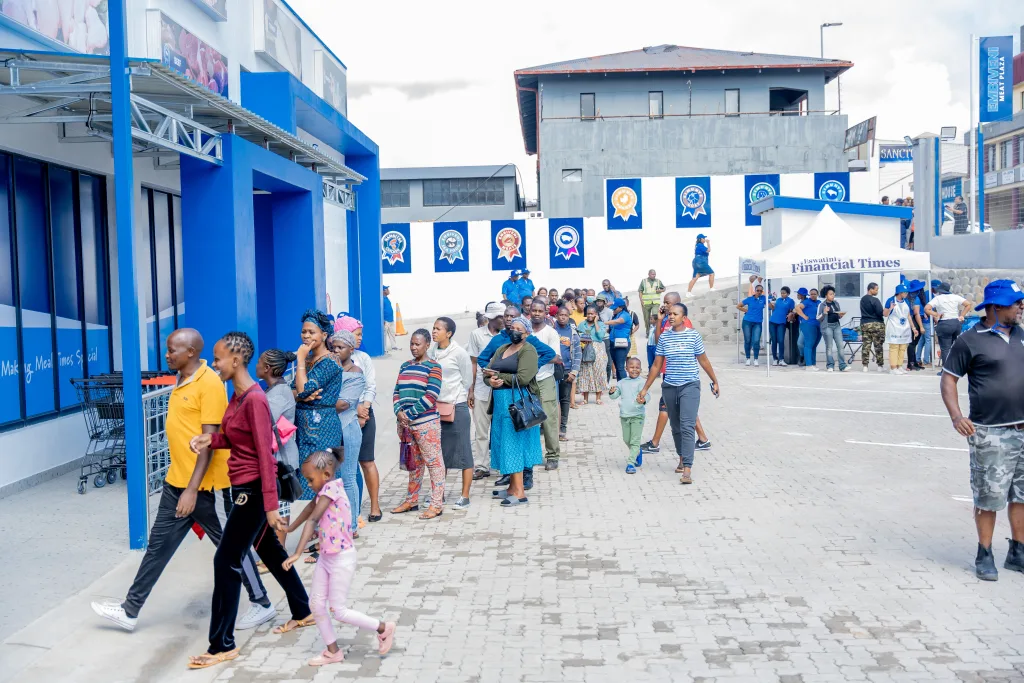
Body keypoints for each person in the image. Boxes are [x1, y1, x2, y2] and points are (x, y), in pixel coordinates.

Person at [90, 329, 275, 633]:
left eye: (172, 350)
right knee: (157, 547)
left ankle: (262, 602)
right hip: (176, 481)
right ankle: (130, 610)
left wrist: (192, 490)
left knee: (232, 547)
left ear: (190, 352)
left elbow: (209, 442)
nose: (166, 355)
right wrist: (182, 486)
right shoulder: (180, 379)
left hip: (205, 487)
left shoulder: (210, 383)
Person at [186, 332, 312, 669]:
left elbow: (265, 455)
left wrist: (270, 507)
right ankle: (303, 610)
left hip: (253, 491)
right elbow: (236, 438)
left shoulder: (255, 399)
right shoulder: (238, 396)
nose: (214, 364)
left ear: (236, 359)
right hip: (244, 486)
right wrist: (210, 440)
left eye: (217, 358)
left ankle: (221, 645)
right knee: (270, 551)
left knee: (225, 560)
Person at [939, 279, 1024, 580]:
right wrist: (956, 416)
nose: (1021, 307)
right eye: (1016, 303)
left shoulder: (1021, 335)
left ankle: (1018, 551)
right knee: (988, 497)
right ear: (996, 307)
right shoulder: (969, 340)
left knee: (1021, 495)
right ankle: (984, 553)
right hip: (990, 433)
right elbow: (949, 379)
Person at [281, 448, 396, 666]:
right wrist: (290, 528)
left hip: (342, 559)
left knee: (339, 611)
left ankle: (383, 628)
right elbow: (309, 509)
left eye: (310, 479)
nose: (308, 484)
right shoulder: (324, 490)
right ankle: (333, 652)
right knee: (316, 605)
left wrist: (297, 552)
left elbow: (313, 519)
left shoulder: (332, 489)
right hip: (326, 557)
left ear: (326, 474)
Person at [637, 303, 720, 486]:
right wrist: (645, 388)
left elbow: (703, 360)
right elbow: (657, 365)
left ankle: (688, 468)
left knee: (687, 425)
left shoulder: (693, 336)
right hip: (669, 387)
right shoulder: (665, 337)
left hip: (690, 386)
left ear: (684, 317)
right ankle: (681, 458)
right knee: (675, 426)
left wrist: (714, 380)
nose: (671, 316)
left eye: (675, 314)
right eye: (670, 314)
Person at [485, 316, 544, 507]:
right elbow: (488, 371)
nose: (515, 332)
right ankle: (511, 487)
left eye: (520, 329)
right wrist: (490, 381)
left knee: (514, 445)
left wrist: (499, 377)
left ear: (527, 333)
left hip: (517, 403)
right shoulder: (503, 348)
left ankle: (520, 493)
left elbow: (524, 378)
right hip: (500, 403)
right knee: (503, 443)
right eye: (513, 328)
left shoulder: (529, 350)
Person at [391, 329, 445, 520]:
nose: (413, 347)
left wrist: (409, 414)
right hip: (405, 425)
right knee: (414, 464)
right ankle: (411, 500)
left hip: (426, 424)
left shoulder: (434, 367)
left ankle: (436, 504)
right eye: (411, 344)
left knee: (434, 463)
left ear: (427, 345)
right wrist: (398, 411)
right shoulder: (405, 365)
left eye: (417, 344)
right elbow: (396, 391)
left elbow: (431, 396)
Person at [335, 317, 383, 524]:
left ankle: (374, 506)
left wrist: (365, 409)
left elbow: (370, 385)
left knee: (367, 461)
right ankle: (355, 511)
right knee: (349, 467)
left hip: (365, 412)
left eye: (361, 334)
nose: (360, 337)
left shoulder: (363, 358)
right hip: (347, 416)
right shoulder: (333, 359)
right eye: (357, 333)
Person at [294, 310, 345, 502]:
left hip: (323, 427)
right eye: (304, 332)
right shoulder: (309, 360)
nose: (306, 336)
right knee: (307, 478)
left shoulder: (330, 362)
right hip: (304, 429)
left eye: (311, 332)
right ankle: (312, 520)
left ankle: (329, 519)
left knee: (321, 479)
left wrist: (300, 361)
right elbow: (294, 392)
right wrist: (301, 397)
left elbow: (303, 389)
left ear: (324, 335)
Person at [256, 349, 300, 552]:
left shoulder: (279, 393)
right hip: (277, 456)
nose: (256, 365)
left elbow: (263, 420)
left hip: (280, 459)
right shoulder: (274, 389)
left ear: (267, 368)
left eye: (259, 362)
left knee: (280, 504)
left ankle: (279, 550)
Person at [429, 316, 474, 510]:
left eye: (438, 329)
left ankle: (465, 496)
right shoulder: (431, 351)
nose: (434, 331)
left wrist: (455, 396)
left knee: (464, 452)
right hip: (436, 408)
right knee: (440, 454)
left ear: (449, 333)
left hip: (457, 406)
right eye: (433, 328)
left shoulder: (459, 353)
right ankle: (439, 494)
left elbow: (467, 380)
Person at [327, 331, 364, 546]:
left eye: (340, 347)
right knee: (335, 478)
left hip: (348, 428)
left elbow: (342, 404)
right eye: (334, 347)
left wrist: (320, 399)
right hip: (332, 429)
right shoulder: (331, 369)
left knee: (348, 476)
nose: (336, 351)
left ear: (351, 349)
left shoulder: (356, 373)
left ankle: (352, 525)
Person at [467, 302, 505, 480]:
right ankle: (482, 465)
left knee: (501, 429)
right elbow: (473, 363)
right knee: (481, 429)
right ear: (491, 318)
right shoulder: (477, 335)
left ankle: (502, 465)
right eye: (500, 317)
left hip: (503, 387)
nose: (503, 320)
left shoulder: (508, 335)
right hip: (482, 389)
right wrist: (471, 390)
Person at [530, 300, 563, 470]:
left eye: (540, 311)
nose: (537, 313)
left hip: (545, 380)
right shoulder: (524, 330)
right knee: (528, 419)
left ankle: (552, 456)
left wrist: (531, 359)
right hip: (526, 381)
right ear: (529, 311)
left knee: (549, 419)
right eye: (534, 310)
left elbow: (556, 357)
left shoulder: (551, 333)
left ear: (545, 313)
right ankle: (531, 455)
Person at [926, 282, 972, 373]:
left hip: (944, 323)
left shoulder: (938, 298)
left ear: (940, 290)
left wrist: (936, 314)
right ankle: (955, 368)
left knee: (945, 348)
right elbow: (968, 304)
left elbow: (926, 308)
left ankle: (946, 371)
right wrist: (962, 315)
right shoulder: (955, 297)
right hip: (956, 323)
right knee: (953, 347)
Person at [611, 357, 647, 474]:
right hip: (624, 416)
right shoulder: (622, 382)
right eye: (631, 367)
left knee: (635, 441)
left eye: (637, 367)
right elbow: (615, 395)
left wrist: (643, 400)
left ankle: (631, 463)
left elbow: (647, 396)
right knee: (627, 439)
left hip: (638, 415)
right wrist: (612, 392)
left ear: (641, 369)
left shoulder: (642, 382)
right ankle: (637, 451)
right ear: (626, 368)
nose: (634, 369)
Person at [553, 305, 581, 441]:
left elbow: (578, 354)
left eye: (565, 315)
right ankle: (550, 428)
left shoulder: (573, 333)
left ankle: (562, 429)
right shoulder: (551, 330)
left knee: (564, 400)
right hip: (552, 371)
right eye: (560, 315)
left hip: (567, 371)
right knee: (552, 400)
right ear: (556, 316)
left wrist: (574, 372)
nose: (563, 317)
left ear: (569, 316)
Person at [576, 305, 609, 405]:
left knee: (598, 371)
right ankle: (585, 398)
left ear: (596, 314)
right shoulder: (582, 324)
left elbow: (600, 336)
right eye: (588, 314)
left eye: (592, 314)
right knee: (585, 372)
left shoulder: (601, 324)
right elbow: (578, 336)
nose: (590, 315)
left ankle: (598, 398)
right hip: (585, 348)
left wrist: (596, 322)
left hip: (597, 349)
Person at [817, 285, 848, 372]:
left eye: (833, 294)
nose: (833, 295)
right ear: (826, 295)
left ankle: (842, 365)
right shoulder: (822, 305)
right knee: (829, 347)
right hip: (827, 326)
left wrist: (840, 315)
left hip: (836, 325)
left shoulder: (836, 303)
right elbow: (818, 318)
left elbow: (837, 315)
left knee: (840, 345)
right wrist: (824, 313)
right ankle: (830, 365)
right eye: (830, 294)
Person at [884, 284, 913, 375]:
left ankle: (899, 366)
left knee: (902, 347)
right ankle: (893, 368)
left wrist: (913, 327)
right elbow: (885, 314)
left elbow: (908, 316)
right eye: (905, 292)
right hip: (894, 328)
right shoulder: (891, 300)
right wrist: (890, 308)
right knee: (894, 347)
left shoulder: (906, 301)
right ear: (900, 293)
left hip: (904, 328)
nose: (906, 294)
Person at [737, 284, 767, 367]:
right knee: (748, 340)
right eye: (758, 290)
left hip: (758, 322)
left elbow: (771, 307)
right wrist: (746, 310)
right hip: (747, 322)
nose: (759, 292)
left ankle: (756, 359)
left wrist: (769, 301)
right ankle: (748, 358)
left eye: (761, 291)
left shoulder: (763, 298)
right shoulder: (749, 299)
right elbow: (738, 306)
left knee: (756, 340)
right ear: (755, 291)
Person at [859, 282, 886, 372]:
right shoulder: (875, 300)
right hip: (876, 324)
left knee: (866, 346)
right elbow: (880, 312)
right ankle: (880, 366)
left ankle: (865, 366)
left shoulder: (862, 299)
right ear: (870, 289)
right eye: (876, 289)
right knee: (878, 346)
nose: (877, 291)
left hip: (865, 324)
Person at [606, 298, 633, 381]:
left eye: (615, 308)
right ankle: (620, 384)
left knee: (620, 367)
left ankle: (625, 385)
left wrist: (604, 323)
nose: (613, 310)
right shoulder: (616, 314)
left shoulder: (625, 314)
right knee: (617, 366)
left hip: (621, 344)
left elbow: (619, 321)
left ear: (621, 307)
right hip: (613, 342)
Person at [768, 286, 794, 366]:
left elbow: (791, 311)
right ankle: (775, 359)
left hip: (782, 323)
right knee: (774, 340)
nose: (782, 294)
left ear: (788, 294)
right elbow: (774, 309)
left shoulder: (790, 301)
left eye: (784, 293)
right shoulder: (778, 300)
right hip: (772, 321)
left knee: (781, 340)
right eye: (781, 293)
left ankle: (781, 359)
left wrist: (790, 315)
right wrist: (770, 304)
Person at [796, 288, 821, 371]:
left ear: (817, 295)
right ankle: (809, 365)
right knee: (808, 344)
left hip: (818, 325)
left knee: (814, 345)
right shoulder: (807, 302)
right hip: (808, 325)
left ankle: (813, 364)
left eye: (814, 294)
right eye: (811, 294)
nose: (813, 295)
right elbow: (797, 308)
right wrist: (804, 316)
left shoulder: (819, 303)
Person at [905, 280, 926, 371]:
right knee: (912, 343)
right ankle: (911, 363)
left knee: (912, 343)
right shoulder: (916, 299)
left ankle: (913, 362)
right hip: (914, 320)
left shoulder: (907, 297)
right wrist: (921, 327)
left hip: (909, 320)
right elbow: (916, 314)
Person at [638, 269, 666, 336]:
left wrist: (660, 290)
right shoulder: (644, 281)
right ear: (649, 274)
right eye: (652, 274)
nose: (654, 275)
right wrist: (641, 300)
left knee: (655, 316)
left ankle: (656, 331)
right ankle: (648, 332)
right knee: (647, 318)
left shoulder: (658, 281)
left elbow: (664, 288)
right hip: (646, 303)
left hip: (655, 302)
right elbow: (640, 291)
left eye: (655, 274)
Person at [382, 286, 397, 351]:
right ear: (383, 291)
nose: (388, 290)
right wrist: (383, 320)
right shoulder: (382, 299)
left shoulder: (387, 298)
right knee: (384, 335)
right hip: (386, 321)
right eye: (387, 289)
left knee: (392, 333)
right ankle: (384, 349)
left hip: (391, 320)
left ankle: (394, 346)